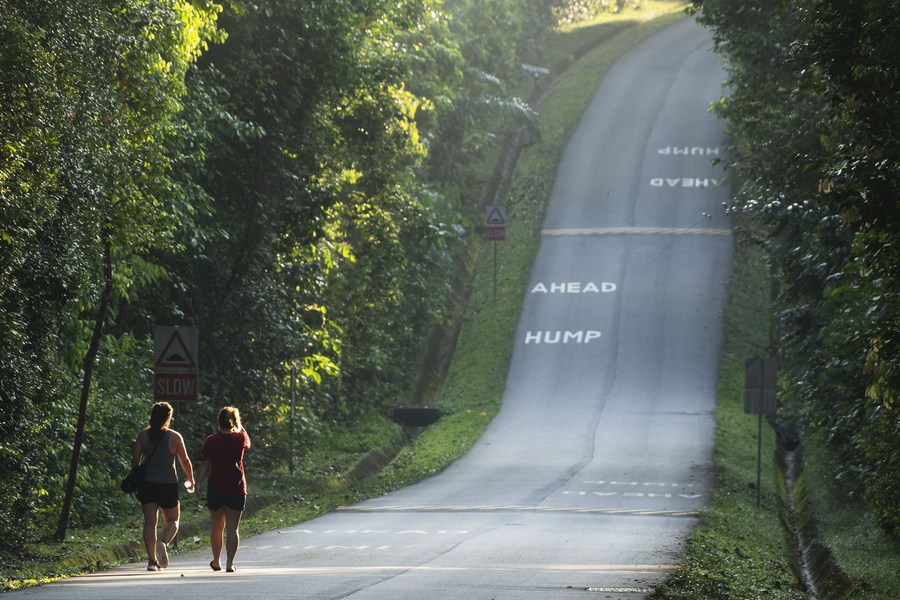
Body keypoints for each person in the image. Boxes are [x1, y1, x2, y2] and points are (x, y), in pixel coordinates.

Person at [131, 401, 195, 572]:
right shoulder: (174, 436)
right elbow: (185, 461)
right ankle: (163, 542)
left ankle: (152, 561)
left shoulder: (143, 435)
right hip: (167, 485)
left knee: (150, 523)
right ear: (168, 417)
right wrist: (191, 479)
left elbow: (135, 460)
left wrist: (136, 478)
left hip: (147, 484)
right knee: (173, 520)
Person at [195, 406, 251, 573]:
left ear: (218, 422)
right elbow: (247, 439)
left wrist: (198, 483)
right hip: (236, 488)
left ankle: (217, 561)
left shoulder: (211, 440)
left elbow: (205, 464)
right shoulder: (240, 438)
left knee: (216, 527)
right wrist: (237, 423)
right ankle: (230, 564)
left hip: (215, 488)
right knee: (233, 528)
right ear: (234, 421)